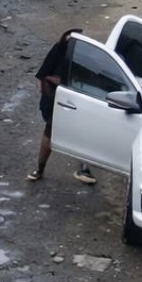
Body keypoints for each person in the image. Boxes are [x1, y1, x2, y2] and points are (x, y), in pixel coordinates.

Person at [27, 28, 96, 184]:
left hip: (71, 100)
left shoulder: (81, 57)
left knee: (79, 132)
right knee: (52, 132)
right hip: (57, 101)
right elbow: (42, 78)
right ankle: (40, 169)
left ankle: (83, 168)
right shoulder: (59, 52)